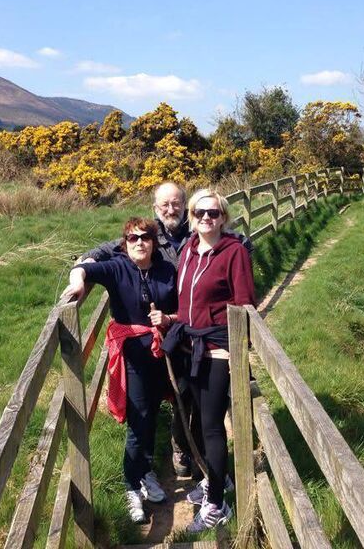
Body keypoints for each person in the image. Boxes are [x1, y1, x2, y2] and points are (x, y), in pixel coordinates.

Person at [80, 181, 252, 479]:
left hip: (196, 329)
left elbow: (230, 241)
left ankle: (201, 460)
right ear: (155, 209)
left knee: (196, 396)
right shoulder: (150, 234)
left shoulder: (197, 232)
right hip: (168, 331)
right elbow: (111, 247)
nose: (171, 209)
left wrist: (241, 244)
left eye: (176, 204)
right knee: (175, 392)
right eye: (164, 205)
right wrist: (85, 265)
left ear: (185, 207)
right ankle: (181, 448)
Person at [61, 217, 178, 524]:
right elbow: (82, 267)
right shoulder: (116, 267)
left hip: (161, 350)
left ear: (154, 242)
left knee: (152, 412)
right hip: (132, 355)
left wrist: (166, 318)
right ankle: (132, 486)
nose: (139, 242)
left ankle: (147, 472)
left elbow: (184, 305)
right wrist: (77, 283)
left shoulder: (167, 270)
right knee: (138, 417)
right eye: (132, 238)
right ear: (124, 243)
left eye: (145, 237)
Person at [162, 189, 256, 533]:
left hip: (216, 350)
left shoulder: (234, 252)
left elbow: (245, 305)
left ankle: (217, 505)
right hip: (190, 348)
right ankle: (214, 480)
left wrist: (235, 352)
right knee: (199, 422)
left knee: (213, 427)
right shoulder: (189, 248)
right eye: (200, 213)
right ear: (191, 216)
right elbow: (187, 300)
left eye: (213, 213)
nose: (206, 218)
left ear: (224, 217)